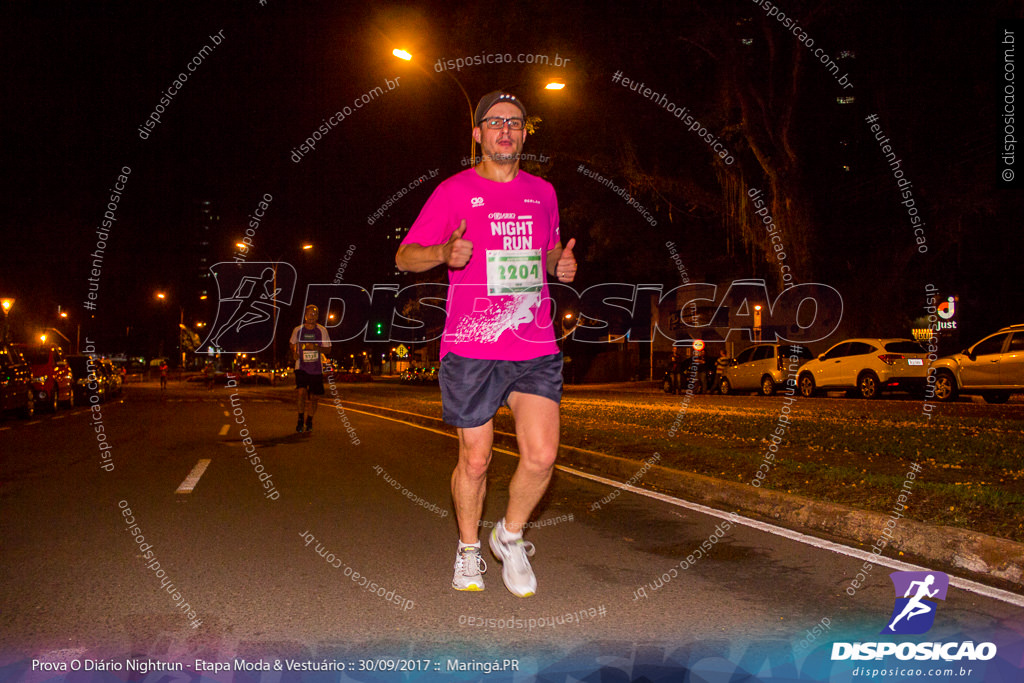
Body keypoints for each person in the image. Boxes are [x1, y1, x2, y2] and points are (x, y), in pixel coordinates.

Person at [395, 90, 577, 597]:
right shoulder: (454, 191)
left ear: (523, 134)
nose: (505, 131)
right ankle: (469, 550)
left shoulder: (543, 192)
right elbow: (404, 256)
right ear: (477, 134)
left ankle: (509, 536)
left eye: (515, 123)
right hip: (472, 345)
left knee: (541, 457)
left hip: (533, 340)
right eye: (494, 122)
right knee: (476, 460)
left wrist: (557, 264)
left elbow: (544, 256)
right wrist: (442, 252)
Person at [289, 304, 331, 433]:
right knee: (301, 392)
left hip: (316, 368)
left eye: (314, 314)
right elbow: (292, 343)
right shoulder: (298, 330)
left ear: (317, 316)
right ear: (305, 316)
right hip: (301, 366)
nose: (311, 316)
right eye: (309, 314)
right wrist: (294, 353)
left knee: (314, 397)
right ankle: (300, 419)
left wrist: (316, 348)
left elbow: (328, 349)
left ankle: (310, 419)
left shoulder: (322, 330)